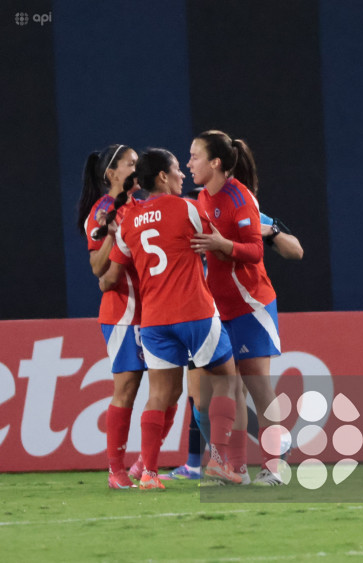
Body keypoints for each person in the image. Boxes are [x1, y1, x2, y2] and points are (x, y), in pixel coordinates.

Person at [99, 148, 242, 490]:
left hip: (153, 321)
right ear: (163, 176)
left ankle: (148, 473)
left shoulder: (129, 221)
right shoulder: (188, 208)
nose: (182, 174)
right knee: (227, 380)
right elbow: (221, 239)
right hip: (195, 313)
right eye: (177, 168)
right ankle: (221, 462)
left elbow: (110, 276)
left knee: (160, 395)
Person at [187, 130, 293, 486]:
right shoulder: (202, 197)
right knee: (224, 393)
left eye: (195, 156)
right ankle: (237, 469)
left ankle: (274, 468)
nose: (189, 163)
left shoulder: (240, 196)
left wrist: (223, 244)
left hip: (251, 305)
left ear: (216, 162)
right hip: (219, 310)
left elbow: (256, 251)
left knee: (258, 389)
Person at [78, 144, 147, 490]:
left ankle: (145, 463)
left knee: (169, 388)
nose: (137, 167)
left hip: (154, 311)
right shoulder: (102, 211)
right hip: (123, 313)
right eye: (130, 163)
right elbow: (97, 268)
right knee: (127, 389)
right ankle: (116, 470)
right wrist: (113, 236)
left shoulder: (143, 207)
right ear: (111, 173)